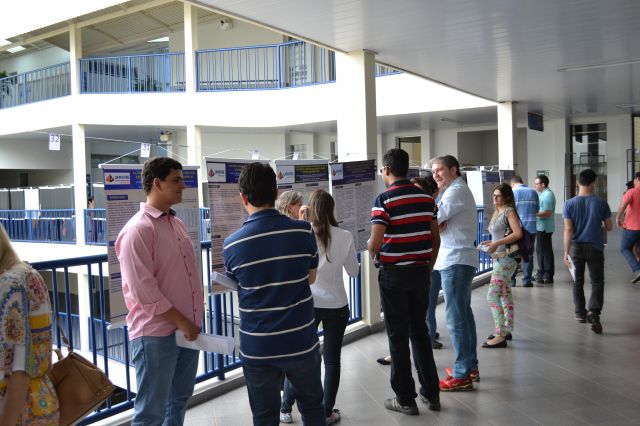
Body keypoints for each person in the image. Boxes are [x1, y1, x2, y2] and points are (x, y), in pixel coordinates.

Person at [223, 163, 325, 426]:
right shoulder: (303, 231)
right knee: (313, 408)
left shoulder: (232, 244)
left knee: (264, 417)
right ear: (276, 192)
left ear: (243, 198)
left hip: (259, 346)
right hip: (301, 339)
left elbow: (237, 284)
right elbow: (311, 277)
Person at [115, 157, 204, 426]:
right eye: (176, 180)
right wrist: (183, 322)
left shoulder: (175, 223)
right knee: (151, 412)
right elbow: (145, 293)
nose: (182, 186)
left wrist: (190, 322)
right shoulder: (137, 230)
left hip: (186, 331)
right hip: (156, 335)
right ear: (157, 183)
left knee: (178, 401)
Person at [368, 148, 440, 415]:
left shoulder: (384, 199)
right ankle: (431, 393)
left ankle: (405, 399)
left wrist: (370, 246)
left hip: (394, 276)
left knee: (397, 336)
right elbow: (435, 239)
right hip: (420, 273)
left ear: (387, 169)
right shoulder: (426, 198)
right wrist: (427, 269)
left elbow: (375, 243)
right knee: (419, 331)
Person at [280, 190, 360, 425]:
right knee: (332, 361)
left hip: (309, 304)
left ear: (310, 208)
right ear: (332, 208)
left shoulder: (303, 232)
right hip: (337, 305)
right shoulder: (345, 235)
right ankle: (326, 412)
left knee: (300, 357)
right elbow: (353, 272)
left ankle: (285, 408)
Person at [0, 223, 59, 426]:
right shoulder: (26, 273)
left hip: (18, 410)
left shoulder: (9, 286)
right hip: (39, 400)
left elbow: (20, 369)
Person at [430, 155, 479, 391]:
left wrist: (436, 223)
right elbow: (437, 221)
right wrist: (437, 223)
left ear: (453, 169)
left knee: (456, 319)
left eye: (439, 170)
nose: (435, 175)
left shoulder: (455, 192)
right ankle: (470, 366)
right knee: (464, 315)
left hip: (455, 261)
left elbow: (433, 220)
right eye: (433, 172)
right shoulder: (452, 190)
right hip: (457, 259)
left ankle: (462, 375)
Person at [563, 169, 612, 333]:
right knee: (597, 281)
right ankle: (594, 312)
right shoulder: (601, 203)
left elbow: (568, 230)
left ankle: (580, 313)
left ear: (578, 183)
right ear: (593, 183)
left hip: (576, 248)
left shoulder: (569, 204)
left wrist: (565, 252)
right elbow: (609, 227)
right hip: (595, 248)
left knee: (577, 282)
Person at [479, 183, 522, 348]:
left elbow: (517, 233)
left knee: (492, 295)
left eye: (498, 195)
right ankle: (506, 329)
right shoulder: (498, 211)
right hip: (499, 258)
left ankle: (500, 335)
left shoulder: (509, 211)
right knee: (504, 294)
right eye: (494, 195)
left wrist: (497, 243)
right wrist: (492, 242)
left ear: (507, 197)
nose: (494, 198)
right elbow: (500, 235)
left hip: (506, 259)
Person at [510, 176, 539, 287]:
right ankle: (527, 281)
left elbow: (510, 212)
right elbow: (537, 210)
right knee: (528, 255)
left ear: (513, 184)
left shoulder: (513, 192)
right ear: (522, 182)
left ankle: (512, 281)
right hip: (531, 228)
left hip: (516, 229)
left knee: (513, 254)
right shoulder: (533, 192)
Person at [616, 172, 640, 283]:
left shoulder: (632, 192)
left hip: (632, 227)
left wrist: (618, 217)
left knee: (625, 248)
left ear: (637, 179)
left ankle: (638, 269)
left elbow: (623, 205)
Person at [534, 174, 556, 284]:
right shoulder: (544, 194)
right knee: (542, 251)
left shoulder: (547, 195)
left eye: (536, 184)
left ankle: (546, 274)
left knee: (544, 252)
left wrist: (533, 213)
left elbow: (547, 213)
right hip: (542, 227)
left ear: (543, 184)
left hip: (544, 228)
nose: (535, 186)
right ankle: (543, 273)